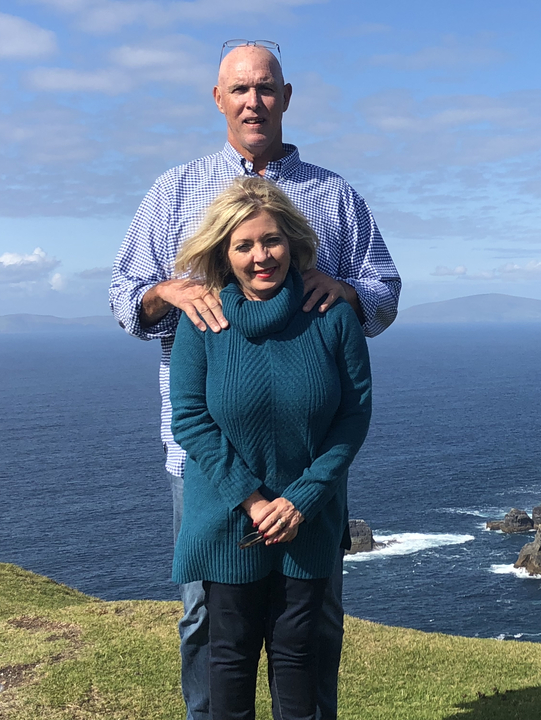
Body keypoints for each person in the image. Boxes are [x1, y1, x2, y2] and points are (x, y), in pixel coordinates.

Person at [109, 40, 399, 720]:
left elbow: (383, 295)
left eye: (265, 88)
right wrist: (169, 294)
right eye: (239, 89)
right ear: (218, 99)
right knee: (210, 623)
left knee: (311, 620)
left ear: (286, 96)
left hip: (307, 461)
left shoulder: (336, 196)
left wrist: (347, 290)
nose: (253, 101)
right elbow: (125, 299)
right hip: (207, 459)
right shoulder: (172, 189)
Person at [169, 176, 371, 720]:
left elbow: (353, 418)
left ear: (295, 243)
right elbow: (189, 420)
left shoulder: (333, 315)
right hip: (229, 520)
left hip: (307, 523)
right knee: (228, 666)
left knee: (299, 665)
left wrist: (300, 501)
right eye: (244, 245)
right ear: (223, 252)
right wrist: (255, 502)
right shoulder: (202, 321)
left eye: (272, 241)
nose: (261, 256)